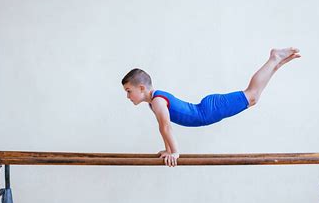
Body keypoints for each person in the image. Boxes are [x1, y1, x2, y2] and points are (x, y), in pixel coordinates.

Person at [122, 47, 301, 167]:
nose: (128, 96)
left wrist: (175, 152)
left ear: (142, 88)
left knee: (252, 95)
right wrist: (168, 150)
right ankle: (276, 63)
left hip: (208, 111)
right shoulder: (155, 101)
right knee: (253, 98)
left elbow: (166, 127)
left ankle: (274, 58)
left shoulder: (158, 101)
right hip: (206, 109)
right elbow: (164, 129)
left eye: (129, 91)